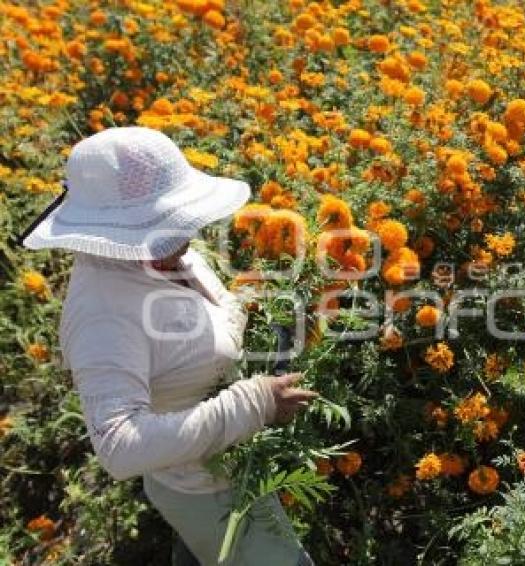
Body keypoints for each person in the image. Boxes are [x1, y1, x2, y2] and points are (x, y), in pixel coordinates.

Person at [22, 127, 317, 565]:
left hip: (232, 465)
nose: (183, 237)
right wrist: (253, 405)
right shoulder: (103, 314)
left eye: (177, 219)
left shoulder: (157, 251)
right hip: (205, 490)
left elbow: (189, 320)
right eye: (161, 225)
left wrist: (254, 308)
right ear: (109, 228)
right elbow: (119, 447)